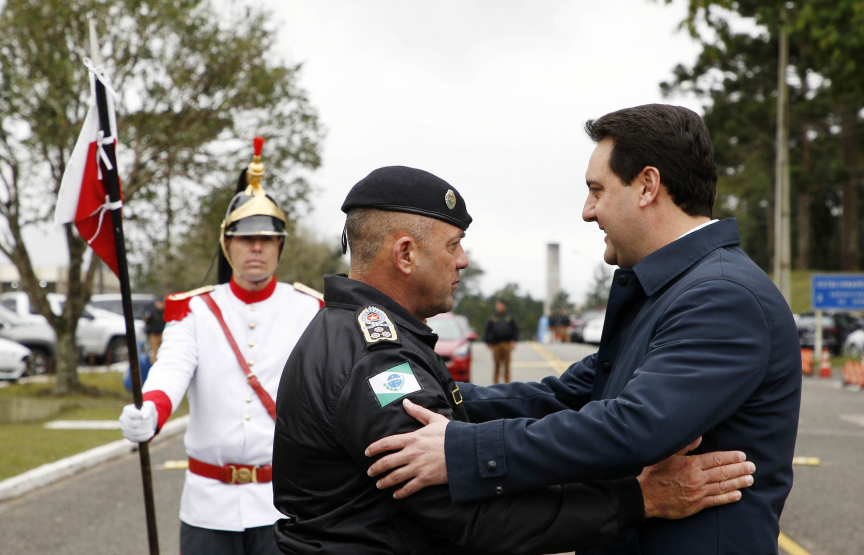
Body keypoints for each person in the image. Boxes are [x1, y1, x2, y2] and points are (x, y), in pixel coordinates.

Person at [364, 105, 802, 555]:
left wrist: (464, 452)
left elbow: (634, 426)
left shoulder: (723, 296)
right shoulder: (671, 291)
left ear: (648, 186)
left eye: (597, 190)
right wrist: (423, 397)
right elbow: (564, 395)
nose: (587, 212)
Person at [272, 165, 755, 555]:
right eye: (453, 245)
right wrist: (639, 499)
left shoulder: (366, 333)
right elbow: (468, 516)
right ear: (405, 254)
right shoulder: (378, 363)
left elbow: (471, 408)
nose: (462, 260)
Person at [118, 138, 323, 555]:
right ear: (227, 243)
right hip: (207, 506)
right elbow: (173, 366)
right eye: (246, 239)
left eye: (267, 238)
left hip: (282, 504)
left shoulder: (310, 309)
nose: (257, 247)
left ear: (280, 246)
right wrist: (152, 409)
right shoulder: (195, 310)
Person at [484, 298, 518, 383]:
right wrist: (488, 341)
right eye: (498, 305)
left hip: (507, 344)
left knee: (507, 365)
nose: (500, 307)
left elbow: (515, 330)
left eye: (501, 305)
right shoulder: (493, 318)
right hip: (496, 344)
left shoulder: (509, 318)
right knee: (497, 365)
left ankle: (507, 383)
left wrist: (514, 341)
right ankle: (495, 384)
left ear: (505, 306)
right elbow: (488, 330)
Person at [142, 297, 166, 364]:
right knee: (154, 350)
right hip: (154, 334)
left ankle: (163, 362)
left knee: (163, 349)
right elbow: (146, 321)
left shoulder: (164, 312)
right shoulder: (152, 312)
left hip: (162, 334)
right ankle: (155, 363)